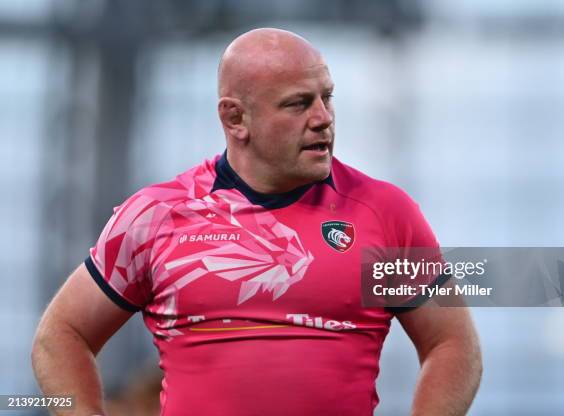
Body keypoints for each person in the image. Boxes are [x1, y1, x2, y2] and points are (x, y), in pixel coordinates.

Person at [32, 28, 482, 416]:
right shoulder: (156, 217)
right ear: (235, 117)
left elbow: (451, 344)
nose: (323, 119)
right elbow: (62, 336)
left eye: (327, 97)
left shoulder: (384, 214)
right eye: (298, 104)